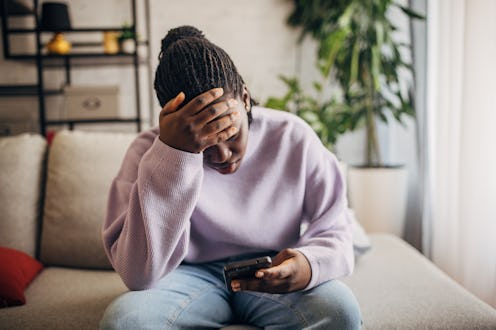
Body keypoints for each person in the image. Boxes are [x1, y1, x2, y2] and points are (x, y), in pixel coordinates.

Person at [100, 25, 361, 329]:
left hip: (271, 268)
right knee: (126, 323)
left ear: (246, 99)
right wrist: (175, 154)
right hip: (184, 275)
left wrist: (308, 265)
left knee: (339, 312)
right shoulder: (147, 153)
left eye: (230, 132)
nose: (221, 155)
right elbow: (138, 275)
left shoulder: (293, 137)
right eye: (203, 143)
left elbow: (336, 228)